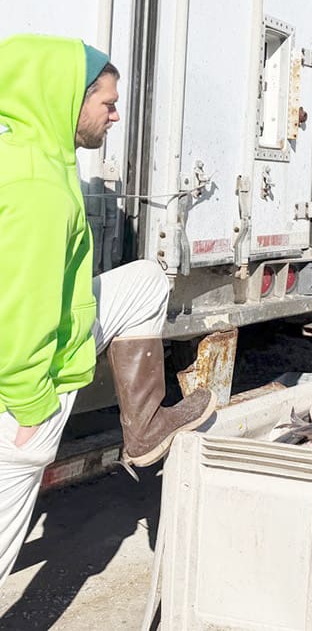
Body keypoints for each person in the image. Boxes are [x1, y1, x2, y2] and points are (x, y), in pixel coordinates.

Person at [0, 35, 218, 583]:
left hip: (47, 354)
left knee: (145, 281)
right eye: (107, 103)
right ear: (67, 100)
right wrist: (29, 416)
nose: (116, 116)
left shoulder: (26, 155)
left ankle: (143, 428)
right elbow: (20, 310)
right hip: (18, 399)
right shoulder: (37, 188)